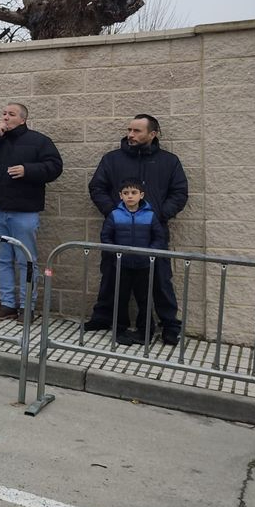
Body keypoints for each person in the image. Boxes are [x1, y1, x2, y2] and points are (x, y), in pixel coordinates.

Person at [84, 115, 187, 345]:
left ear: (153, 134)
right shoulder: (112, 159)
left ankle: (169, 326)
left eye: (137, 131)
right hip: (117, 230)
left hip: (152, 232)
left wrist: (158, 215)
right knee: (111, 276)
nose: (130, 134)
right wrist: (113, 212)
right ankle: (103, 317)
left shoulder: (169, 161)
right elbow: (97, 187)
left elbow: (179, 193)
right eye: (129, 130)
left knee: (160, 279)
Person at [0, 102, 62, 319]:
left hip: (24, 211)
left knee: (25, 259)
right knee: (1, 259)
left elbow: (55, 166)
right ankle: (8, 303)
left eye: (11, 114)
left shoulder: (39, 141)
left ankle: (27, 306)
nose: (6, 117)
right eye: (4, 113)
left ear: (23, 119)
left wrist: (28, 170)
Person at [99, 179, 167, 345]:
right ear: (120, 196)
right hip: (122, 265)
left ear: (141, 195)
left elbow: (159, 237)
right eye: (126, 193)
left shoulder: (150, 216)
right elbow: (105, 236)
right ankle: (120, 330)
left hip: (144, 266)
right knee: (120, 299)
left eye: (134, 193)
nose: (130, 196)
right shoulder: (115, 215)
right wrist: (116, 253)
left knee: (144, 300)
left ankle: (145, 332)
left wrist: (149, 253)